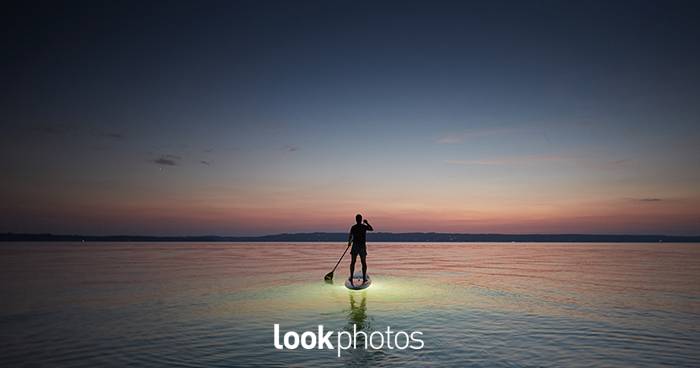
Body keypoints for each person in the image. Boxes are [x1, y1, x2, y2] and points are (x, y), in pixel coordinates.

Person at [348, 214, 373, 285]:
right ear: (360, 219)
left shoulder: (356, 227)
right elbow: (371, 229)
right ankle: (360, 278)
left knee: (355, 262)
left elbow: (350, 236)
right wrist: (367, 223)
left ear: (356, 219)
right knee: (361, 262)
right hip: (359, 246)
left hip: (357, 246)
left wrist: (349, 242)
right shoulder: (362, 227)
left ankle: (354, 277)